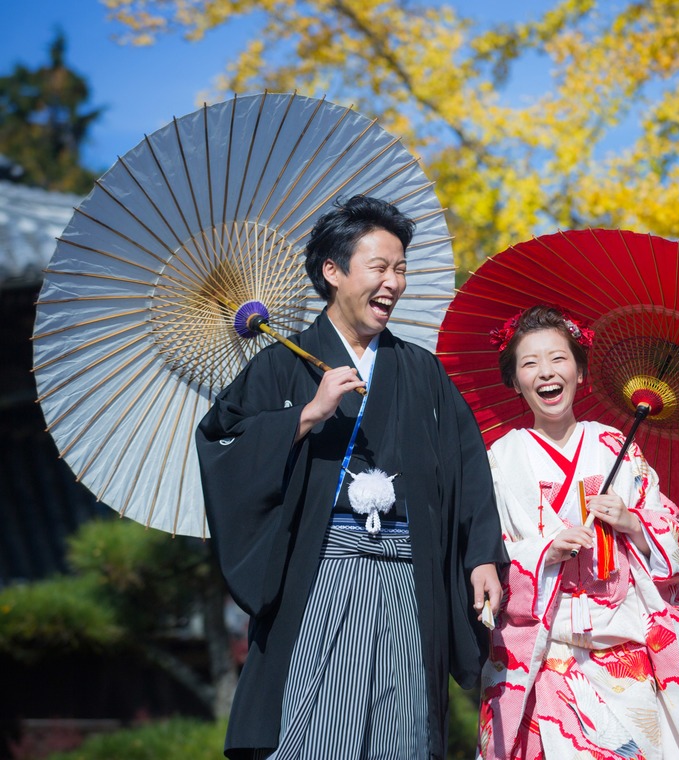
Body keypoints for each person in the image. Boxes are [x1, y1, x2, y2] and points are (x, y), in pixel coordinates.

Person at [196, 195, 506, 760]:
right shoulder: (281, 365)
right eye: (379, 267)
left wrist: (480, 555)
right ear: (333, 272)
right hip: (323, 571)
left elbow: (467, 465)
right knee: (318, 731)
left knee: (404, 732)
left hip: (411, 574)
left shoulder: (420, 370)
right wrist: (303, 416)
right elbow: (221, 442)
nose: (393, 282)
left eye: (401, 269)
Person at [477, 305, 679, 759]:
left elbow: (669, 542)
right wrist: (543, 551)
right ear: (514, 380)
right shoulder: (502, 459)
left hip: (625, 664)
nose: (546, 372)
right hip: (544, 663)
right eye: (529, 363)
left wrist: (633, 525)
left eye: (559, 359)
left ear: (580, 372)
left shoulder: (614, 448)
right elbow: (490, 552)